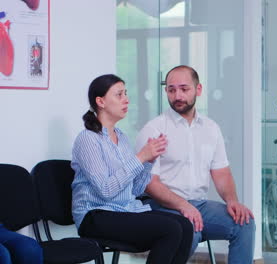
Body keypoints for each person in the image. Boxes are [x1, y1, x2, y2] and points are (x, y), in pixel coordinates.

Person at [136, 65, 255, 264]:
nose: (177, 95)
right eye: (171, 90)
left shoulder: (211, 128)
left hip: (199, 204)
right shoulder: (154, 129)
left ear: (198, 90)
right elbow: (150, 183)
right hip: (162, 205)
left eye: (184, 89)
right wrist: (183, 206)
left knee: (244, 223)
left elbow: (221, 172)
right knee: (189, 230)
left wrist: (232, 200)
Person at [71, 74, 193, 264]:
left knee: (185, 225)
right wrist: (140, 157)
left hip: (125, 210)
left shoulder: (122, 138)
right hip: (95, 216)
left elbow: (135, 189)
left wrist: (148, 161)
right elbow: (106, 190)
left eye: (125, 94)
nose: (126, 100)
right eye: (119, 95)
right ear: (100, 101)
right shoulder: (87, 139)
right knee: (170, 229)